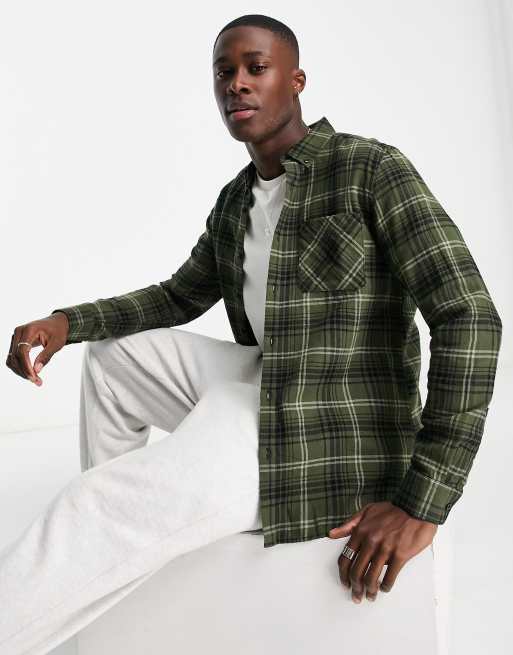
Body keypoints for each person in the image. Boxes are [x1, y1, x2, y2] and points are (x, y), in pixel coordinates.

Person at [3, 12, 502, 655]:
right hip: (265, 383)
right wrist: (68, 322)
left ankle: (122, 521)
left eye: (255, 68)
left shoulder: (369, 169)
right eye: (224, 72)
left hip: (320, 425)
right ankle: (130, 548)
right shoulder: (238, 200)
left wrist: (422, 502)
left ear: (295, 81)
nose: (236, 83)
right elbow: (179, 295)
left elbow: (469, 315)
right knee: (113, 358)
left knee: (92, 505)